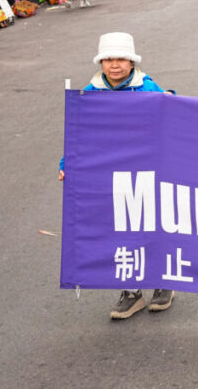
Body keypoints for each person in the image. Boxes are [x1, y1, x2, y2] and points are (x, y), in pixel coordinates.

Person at [59, 32, 174, 319]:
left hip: (147, 171)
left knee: (152, 224)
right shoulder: (90, 93)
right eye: (108, 59)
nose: (115, 65)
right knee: (120, 228)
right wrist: (67, 163)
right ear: (101, 62)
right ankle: (131, 291)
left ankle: (164, 283)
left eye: (121, 58)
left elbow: (171, 121)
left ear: (132, 61)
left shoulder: (148, 88)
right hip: (110, 175)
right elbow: (79, 134)